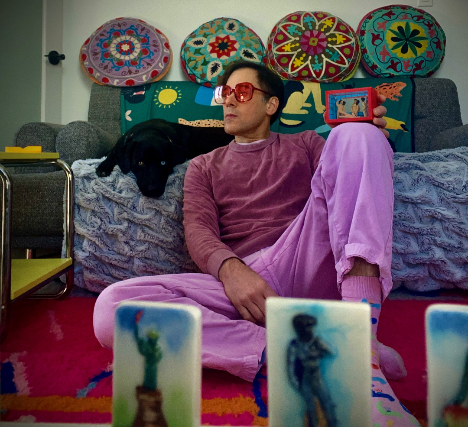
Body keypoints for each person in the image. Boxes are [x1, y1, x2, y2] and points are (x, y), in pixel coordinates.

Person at [93, 60, 418, 425]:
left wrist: (367, 138)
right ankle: (319, 344)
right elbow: (199, 232)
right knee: (112, 308)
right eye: (225, 93)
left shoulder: (305, 144)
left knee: (357, 135)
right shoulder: (203, 166)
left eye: (243, 92)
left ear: (271, 104)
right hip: (245, 283)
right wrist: (231, 271)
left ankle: (363, 350)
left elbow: (350, 183)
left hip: (306, 255)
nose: (229, 101)